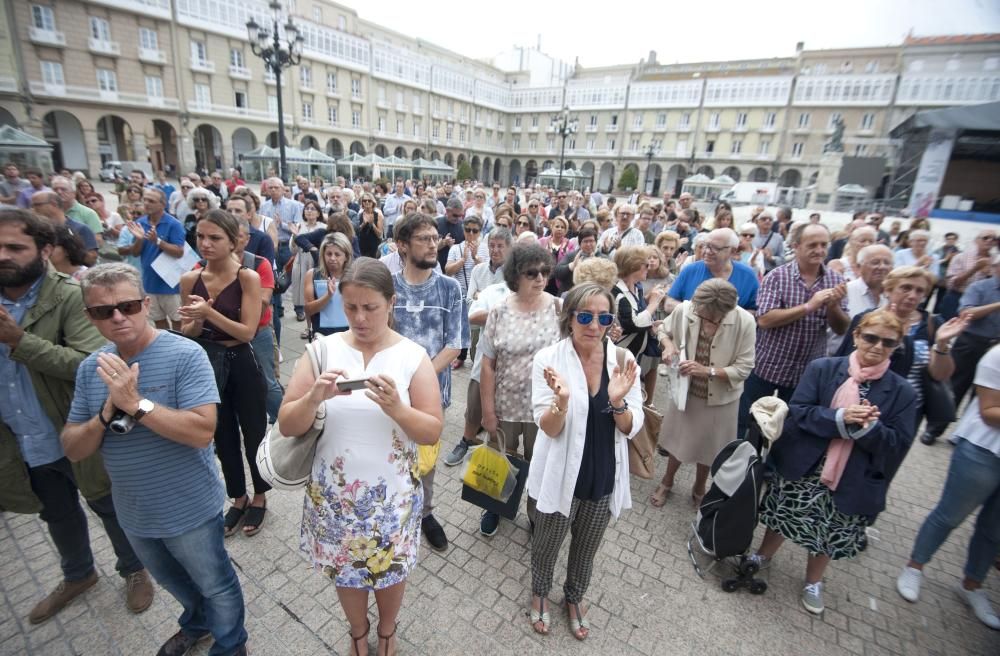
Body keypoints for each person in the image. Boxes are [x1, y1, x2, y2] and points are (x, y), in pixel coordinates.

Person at [62, 263, 248, 656]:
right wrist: (105, 414)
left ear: (146, 305)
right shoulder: (90, 369)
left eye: (127, 306)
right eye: (103, 311)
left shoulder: (185, 354)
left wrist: (136, 404)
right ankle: (196, 624)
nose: (117, 317)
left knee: (216, 583)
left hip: (191, 509)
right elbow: (74, 447)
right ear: (89, 318)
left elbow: (202, 432)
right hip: (135, 513)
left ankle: (231, 645)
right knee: (175, 583)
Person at [279, 257, 441, 656]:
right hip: (335, 499)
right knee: (346, 572)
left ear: (391, 302)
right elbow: (286, 423)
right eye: (351, 307)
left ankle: (387, 631)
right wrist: (314, 396)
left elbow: (432, 429)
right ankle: (357, 631)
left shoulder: (412, 356)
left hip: (393, 499)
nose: (360, 317)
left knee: (390, 572)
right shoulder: (322, 351)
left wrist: (397, 409)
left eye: (370, 307)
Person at [0, 211, 153, 624]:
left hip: (76, 424)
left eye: (15, 247)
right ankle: (78, 573)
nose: (4, 256)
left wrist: (19, 341)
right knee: (56, 510)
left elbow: (91, 363)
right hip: (23, 433)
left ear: (45, 251)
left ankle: (134, 569)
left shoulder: (71, 296)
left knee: (106, 503)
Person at [749, 310, 917, 615]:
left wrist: (869, 428)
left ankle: (814, 581)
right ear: (856, 336)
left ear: (897, 346)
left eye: (888, 342)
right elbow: (798, 411)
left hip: (851, 476)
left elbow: (898, 443)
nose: (877, 346)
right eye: (870, 337)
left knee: (829, 530)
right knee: (785, 516)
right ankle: (762, 556)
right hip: (806, 466)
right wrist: (840, 418)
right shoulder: (823, 368)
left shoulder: (903, 392)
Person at [528, 282, 643, 639]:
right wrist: (560, 402)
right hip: (561, 472)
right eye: (585, 316)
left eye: (604, 317)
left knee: (587, 545)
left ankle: (575, 597)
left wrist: (619, 402)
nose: (595, 325)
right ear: (569, 318)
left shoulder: (623, 361)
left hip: (603, 473)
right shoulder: (548, 359)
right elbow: (545, 427)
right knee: (547, 541)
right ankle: (540, 593)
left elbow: (631, 427)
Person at [896, 344, 1000, 630]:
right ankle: (915, 567)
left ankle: (972, 584)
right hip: (983, 450)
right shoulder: (996, 356)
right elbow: (989, 409)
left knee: (993, 529)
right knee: (949, 515)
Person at [179, 210, 268, 538]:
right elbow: (188, 332)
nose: (205, 244)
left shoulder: (248, 277)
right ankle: (238, 496)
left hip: (241, 360)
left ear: (233, 241)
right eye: (201, 237)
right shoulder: (190, 279)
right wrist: (198, 320)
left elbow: (247, 332)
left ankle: (259, 495)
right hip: (206, 361)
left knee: (254, 431)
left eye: (215, 237)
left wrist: (208, 311)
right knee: (222, 435)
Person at [391, 213, 466, 552]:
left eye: (435, 237)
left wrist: (418, 380)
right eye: (423, 238)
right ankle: (393, 510)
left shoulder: (450, 288)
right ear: (402, 246)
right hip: (390, 393)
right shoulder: (387, 286)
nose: (433, 243)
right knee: (391, 454)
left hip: (434, 393)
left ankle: (426, 514)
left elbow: (455, 344)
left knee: (427, 459)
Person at [737, 224, 849, 441]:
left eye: (824, 245)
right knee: (749, 422)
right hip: (767, 365)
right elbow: (765, 319)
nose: (819, 250)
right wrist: (810, 306)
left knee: (790, 428)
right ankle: (743, 466)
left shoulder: (835, 281)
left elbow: (841, 328)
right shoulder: (777, 277)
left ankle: (771, 471)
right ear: (796, 247)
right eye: (812, 245)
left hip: (805, 371)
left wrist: (834, 307)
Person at [478, 243, 561, 536]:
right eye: (531, 273)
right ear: (516, 275)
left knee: (540, 462)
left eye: (544, 272)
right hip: (506, 402)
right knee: (500, 457)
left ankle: (536, 512)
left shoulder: (558, 308)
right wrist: (488, 411)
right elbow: (487, 364)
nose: (540, 278)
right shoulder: (500, 310)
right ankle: (495, 507)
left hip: (544, 407)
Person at [835, 266, 968, 449]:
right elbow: (843, 363)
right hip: (859, 404)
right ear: (888, 290)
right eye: (905, 288)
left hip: (904, 411)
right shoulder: (866, 319)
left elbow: (940, 375)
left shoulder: (931, 324)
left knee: (883, 465)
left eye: (919, 290)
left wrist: (942, 344)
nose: (913, 295)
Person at [650, 279, 756, 507]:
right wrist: (668, 346)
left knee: (710, 447)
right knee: (679, 440)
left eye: (712, 320)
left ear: (727, 313)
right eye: (701, 317)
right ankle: (667, 481)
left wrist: (708, 371)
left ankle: (699, 487)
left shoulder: (745, 322)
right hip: (686, 392)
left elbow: (745, 367)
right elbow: (662, 330)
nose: (706, 325)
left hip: (721, 398)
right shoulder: (686, 309)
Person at [120, 188, 186, 330]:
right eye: (145, 200)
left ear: (162, 204)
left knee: (178, 321)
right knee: (158, 321)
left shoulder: (173, 224)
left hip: (170, 284)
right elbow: (136, 253)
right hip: (150, 282)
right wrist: (138, 239)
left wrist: (157, 241)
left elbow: (179, 252)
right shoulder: (141, 222)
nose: (146, 203)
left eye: (151, 201)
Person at [666, 228, 759, 312]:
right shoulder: (690, 271)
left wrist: (728, 317)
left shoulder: (747, 276)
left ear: (733, 251)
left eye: (714, 248)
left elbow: (756, 312)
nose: (706, 251)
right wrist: (698, 311)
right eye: (705, 246)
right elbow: (669, 304)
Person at [825, 244, 892, 355]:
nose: (882, 267)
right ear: (858, 267)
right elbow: (839, 329)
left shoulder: (892, 297)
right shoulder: (844, 291)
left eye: (887, 263)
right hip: (841, 360)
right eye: (875, 262)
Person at [259, 177, 303, 341]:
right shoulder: (264, 207)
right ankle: (278, 308)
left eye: (277, 187)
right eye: (270, 188)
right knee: (274, 278)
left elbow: (297, 226)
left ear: (283, 189)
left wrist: (282, 224)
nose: (274, 190)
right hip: (270, 247)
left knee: (295, 276)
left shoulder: (293, 205)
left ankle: (299, 308)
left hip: (288, 245)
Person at [29, 191, 99, 266]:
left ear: (53, 204)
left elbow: (91, 260)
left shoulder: (80, 229)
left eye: (36, 205)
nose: (32, 209)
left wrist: (71, 248)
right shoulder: (37, 230)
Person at [304, 232, 353, 338]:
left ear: (346, 256)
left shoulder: (354, 276)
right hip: (322, 335)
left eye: (337, 254)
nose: (332, 258)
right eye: (329, 254)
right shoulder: (312, 274)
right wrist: (328, 296)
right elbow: (308, 309)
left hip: (349, 334)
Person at [940, 229, 997, 319]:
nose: (989, 241)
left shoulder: (996, 261)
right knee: (946, 326)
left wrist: (989, 274)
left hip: (982, 302)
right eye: (985, 238)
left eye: (993, 239)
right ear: (976, 241)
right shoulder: (961, 257)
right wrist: (975, 269)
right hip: (957, 298)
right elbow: (952, 284)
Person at [290, 199, 325, 322]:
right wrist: (295, 236)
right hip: (301, 262)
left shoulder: (323, 227)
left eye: (312, 209)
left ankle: (313, 320)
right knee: (300, 291)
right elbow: (293, 250)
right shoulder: (299, 226)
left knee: (314, 292)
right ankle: (302, 316)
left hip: (316, 262)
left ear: (318, 212)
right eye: (307, 208)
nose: (309, 211)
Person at [357, 191, 385, 258]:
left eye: (369, 201)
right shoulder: (359, 215)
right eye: (364, 200)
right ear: (362, 203)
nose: (367, 202)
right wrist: (363, 224)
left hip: (374, 245)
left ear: (373, 202)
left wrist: (372, 224)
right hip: (362, 245)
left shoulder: (378, 215)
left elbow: (380, 234)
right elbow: (357, 231)